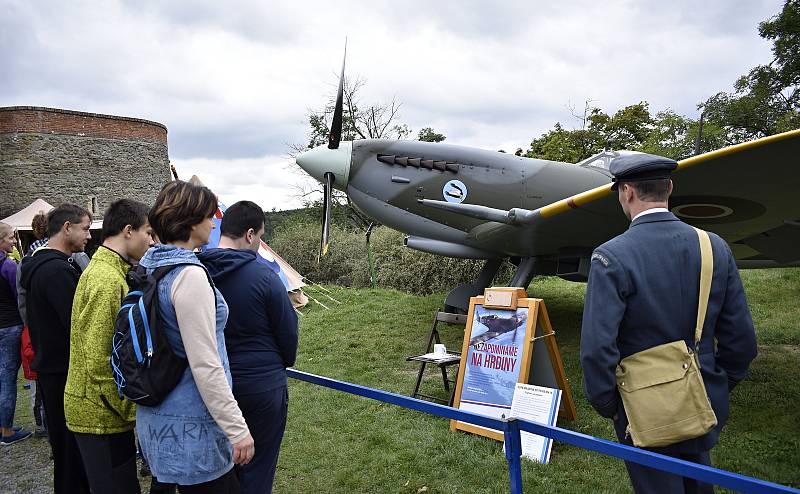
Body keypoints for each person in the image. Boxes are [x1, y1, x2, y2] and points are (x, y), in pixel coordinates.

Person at [579, 153, 758, 494]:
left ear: (627, 192)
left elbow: (597, 347)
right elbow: (741, 340)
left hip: (641, 405)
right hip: (702, 397)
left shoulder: (610, 255)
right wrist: (715, 382)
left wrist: (608, 405)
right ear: (670, 188)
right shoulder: (714, 246)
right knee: (700, 485)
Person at [136, 180, 254, 492]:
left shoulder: (149, 266)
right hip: (192, 427)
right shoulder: (189, 276)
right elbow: (205, 364)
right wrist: (236, 428)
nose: (214, 221)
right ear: (189, 223)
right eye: (207, 215)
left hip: (156, 417)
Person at [199, 201, 298, 494]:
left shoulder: (197, 272)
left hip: (213, 384)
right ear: (251, 234)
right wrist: (283, 361)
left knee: (220, 465)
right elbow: (288, 332)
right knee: (258, 463)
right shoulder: (264, 276)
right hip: (261, 383)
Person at [64, 199, 154, 493]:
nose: (151, 241)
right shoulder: (105, 279)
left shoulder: (112, 271)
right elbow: (99, 359)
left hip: (104, 413)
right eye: (148, 233)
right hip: (100, 416)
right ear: (128, 230)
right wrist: (132, 412)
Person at [19, 204, 92, 493]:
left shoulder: (41, 265)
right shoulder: (55, 271)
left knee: (65, 448)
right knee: (70, 450)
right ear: (67, 228)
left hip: (52, 367)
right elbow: (75, 325)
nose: (88, 236)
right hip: (62, 370)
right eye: (85, 229)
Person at [0, 222, 31, 445]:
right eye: (10, 238)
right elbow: (19, 296)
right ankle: (7, 431)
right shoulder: (8, 267)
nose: (14, 241)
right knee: (8, 379)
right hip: (10, 326)